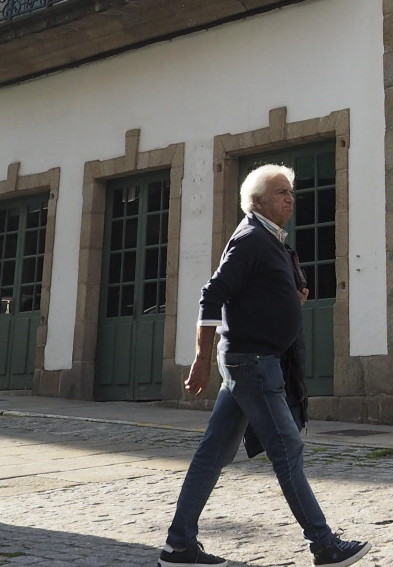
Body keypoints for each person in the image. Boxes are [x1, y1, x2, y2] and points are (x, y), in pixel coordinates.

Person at [157, 164, 370, 567]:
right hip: (252, 364)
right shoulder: (252, 237)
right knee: (287, 451)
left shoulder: (270, 240)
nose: (289, 198)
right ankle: (324, 545)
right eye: (279, 192)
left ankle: (179, 545)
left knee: (212, 454)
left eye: (290, 192)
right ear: (256, 202)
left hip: (251, 363)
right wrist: (201, 358)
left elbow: (256, 296)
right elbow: (212, 294)